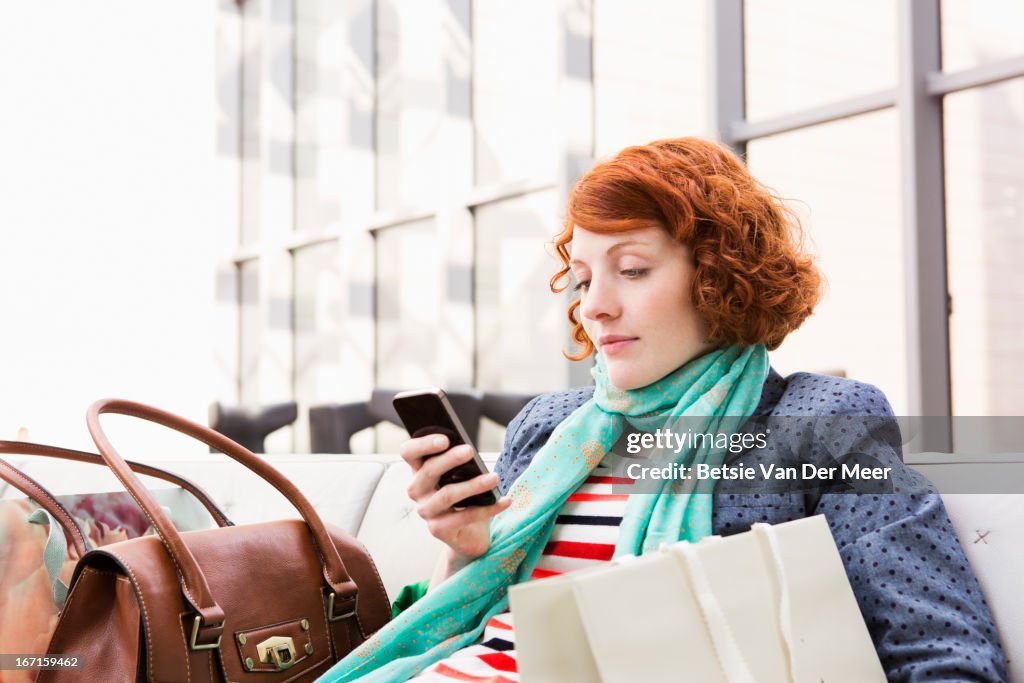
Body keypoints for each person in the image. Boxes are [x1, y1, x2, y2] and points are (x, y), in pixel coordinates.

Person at [319, 138, 1007, 682]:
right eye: (584, 278)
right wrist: (466, 554)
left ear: (718, 275)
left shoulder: (819, 421)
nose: (594, 305)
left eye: (633, 269)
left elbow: (944, 655)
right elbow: (475, 625)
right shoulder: (549, 425)